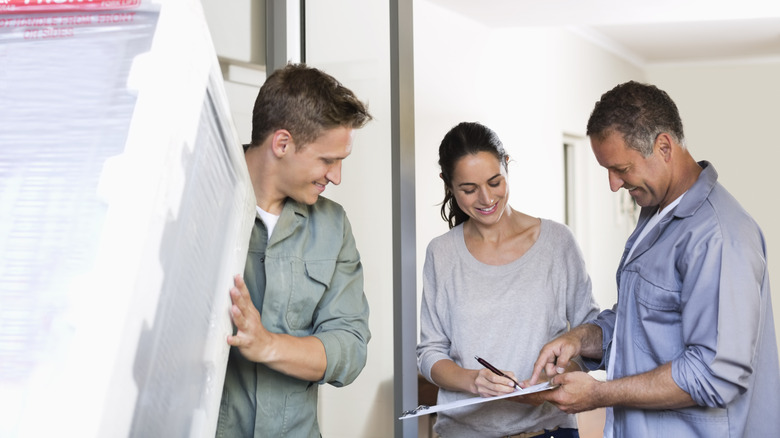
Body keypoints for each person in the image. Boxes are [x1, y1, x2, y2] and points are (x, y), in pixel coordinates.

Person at [526, 81, 780, 437]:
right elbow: (644, 323)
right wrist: (582, 338)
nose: (614, 185)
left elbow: (714, 375)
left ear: (663, 146)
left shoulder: (719, 237)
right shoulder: (656, 213)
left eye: (621, 169)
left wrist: (599, 393)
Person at [215, 63, 372, 437]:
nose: (335, 177)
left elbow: (349, 347)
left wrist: (266, 345)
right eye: (328, 160)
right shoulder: (202, 203)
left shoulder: (333, 226)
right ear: (282, 143)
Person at [416, 121, 600, 438]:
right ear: (447, 184)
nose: (486, 199)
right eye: (468, 189)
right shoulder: (441, 253)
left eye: (494, 182)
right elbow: (430, 352)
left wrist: (554, 376)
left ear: (507, 165)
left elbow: (592, 335)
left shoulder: (557, 243)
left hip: (549, 430)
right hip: (464, 432)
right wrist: (471, 380)